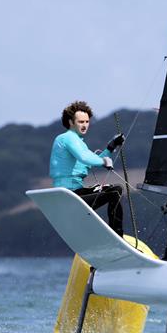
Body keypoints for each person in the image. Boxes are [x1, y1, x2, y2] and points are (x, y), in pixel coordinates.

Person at [50, 101, 126, 236]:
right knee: (115, 192)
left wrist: (111, 146)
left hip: (77, 192)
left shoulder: (78, 142)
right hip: (69, 195)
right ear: (70, 122)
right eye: (80, 122)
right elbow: (85, 157)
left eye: (87, 121)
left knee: (115, 190)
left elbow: (89, 161)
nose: (85, 125)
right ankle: (117, 234)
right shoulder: (67, 138)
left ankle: (115, 235)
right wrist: (103, 161)